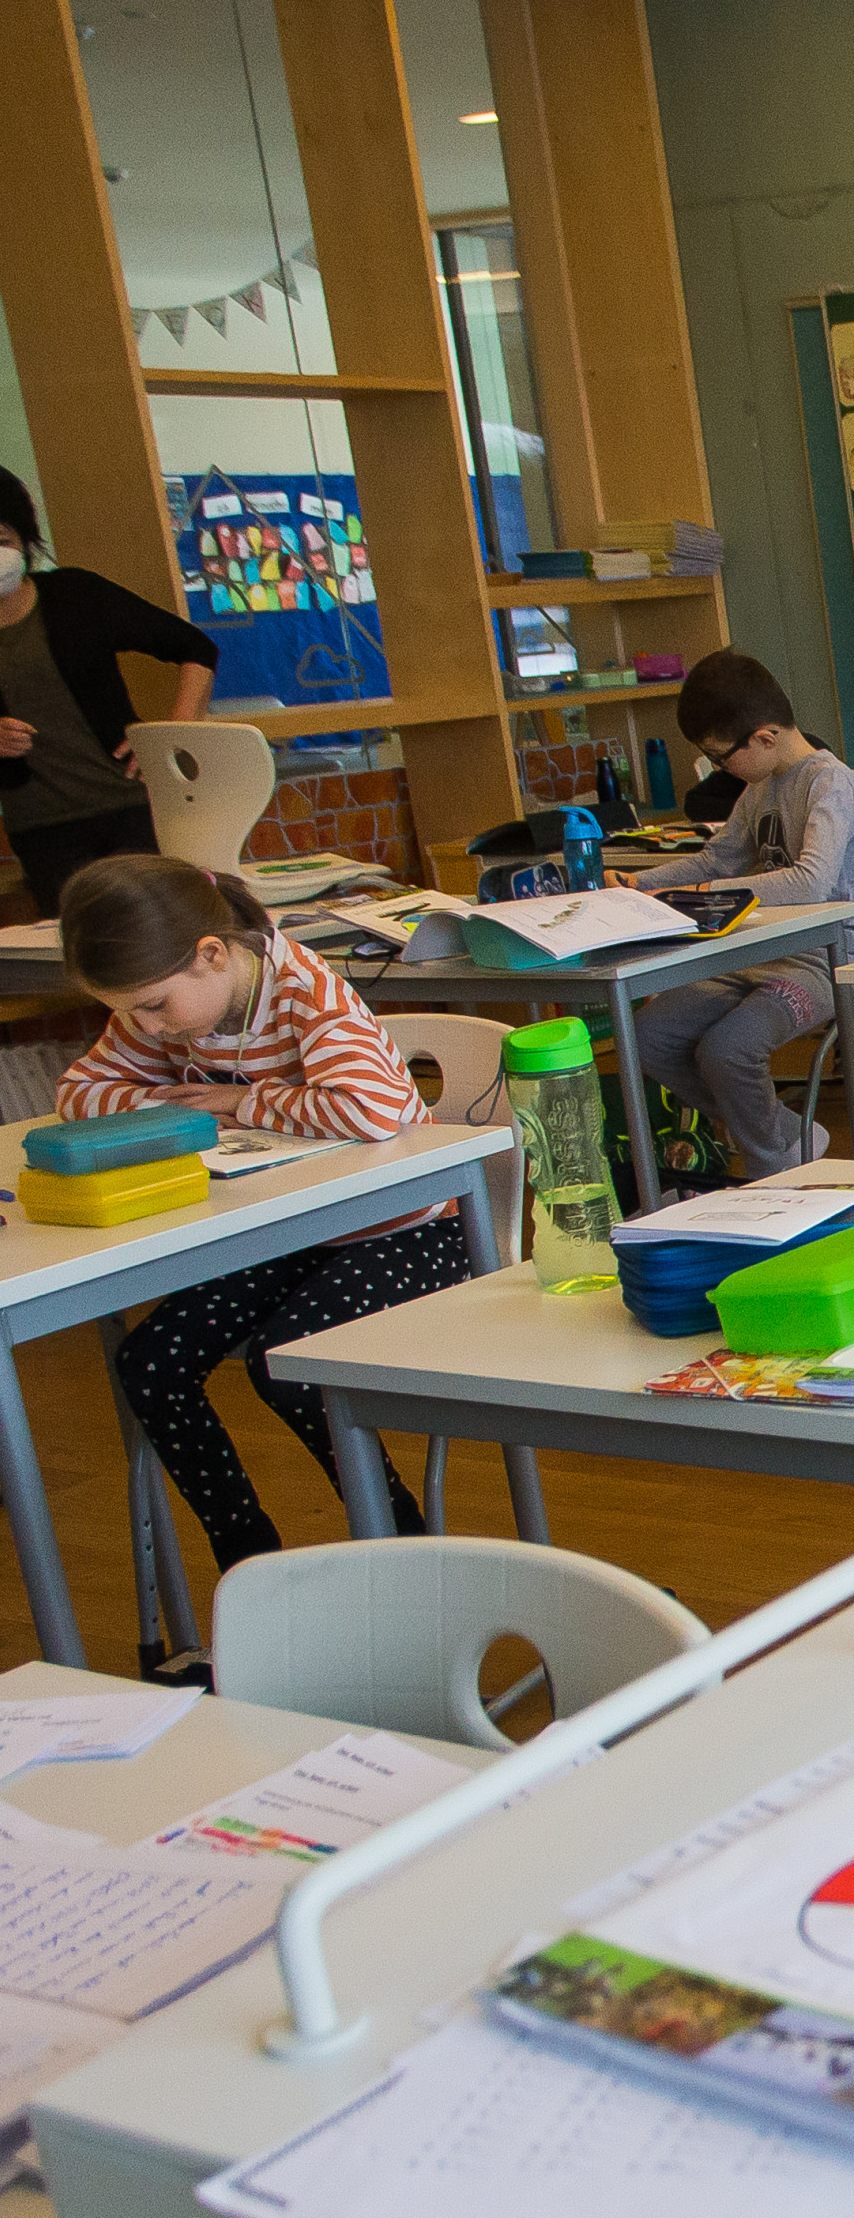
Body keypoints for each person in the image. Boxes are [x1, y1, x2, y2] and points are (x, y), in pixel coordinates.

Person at [55, 854, 471, 1571]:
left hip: (411, 1229)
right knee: (150, 1363)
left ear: (212, 955)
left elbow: (372, 1109)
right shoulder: (173, 1004)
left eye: (152, 1006)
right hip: (287, 1233)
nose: (146, 1030)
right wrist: (167, 1106)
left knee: (286, 1361)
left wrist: (235, 1101)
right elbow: (80, 1092)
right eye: (124, 1012)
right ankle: (247, 1558)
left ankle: (405, 1544)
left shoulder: (304, 991)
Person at [613, 650, 854, 1177]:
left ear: (764, 737)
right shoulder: (758, 786)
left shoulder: (831, 782)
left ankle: (772, 1169)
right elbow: (719, 856)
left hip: (832, 957)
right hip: (758, 950)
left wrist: (708, 892)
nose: (717, 769)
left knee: (728, 1050)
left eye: (720, 756)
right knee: (646, 1036)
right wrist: (639, 885)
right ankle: (783, 1137)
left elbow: (811, 880)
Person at [0, 467, 219, 916]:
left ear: (23, 540)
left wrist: (171, 735)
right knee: (86, 956)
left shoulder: (76, 596)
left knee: (156, 934)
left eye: (1, 539)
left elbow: (194, 647)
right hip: (41, 826)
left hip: (130, 806)